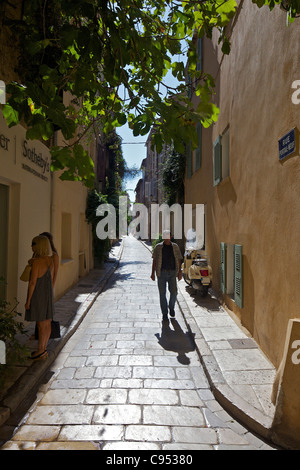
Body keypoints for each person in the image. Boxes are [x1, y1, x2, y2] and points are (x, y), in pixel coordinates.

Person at [25, 235, 55, 360]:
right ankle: (43, 349)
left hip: (38, 295)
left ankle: (40, 351)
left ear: (39, 245)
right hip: (47, 294)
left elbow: (32, 283)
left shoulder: (38, 262)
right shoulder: (50, 260)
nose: (31, 246)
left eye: (33, 243)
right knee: (47, 323)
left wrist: (28, 301)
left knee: (41, 324)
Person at [151, 230, 182, 321]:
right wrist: (152, 273)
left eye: (168, 236)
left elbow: (179, 259)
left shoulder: (175, 247)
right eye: (165, 236)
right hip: (161, 273)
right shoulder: (158, 247)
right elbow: (154, 260)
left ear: (171, 237)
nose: (167, 238)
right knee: (162, 294)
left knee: (174, 292)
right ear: (163, 237)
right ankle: (164, 313)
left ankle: (171, 307)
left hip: (172, 273)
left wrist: (179, 272)